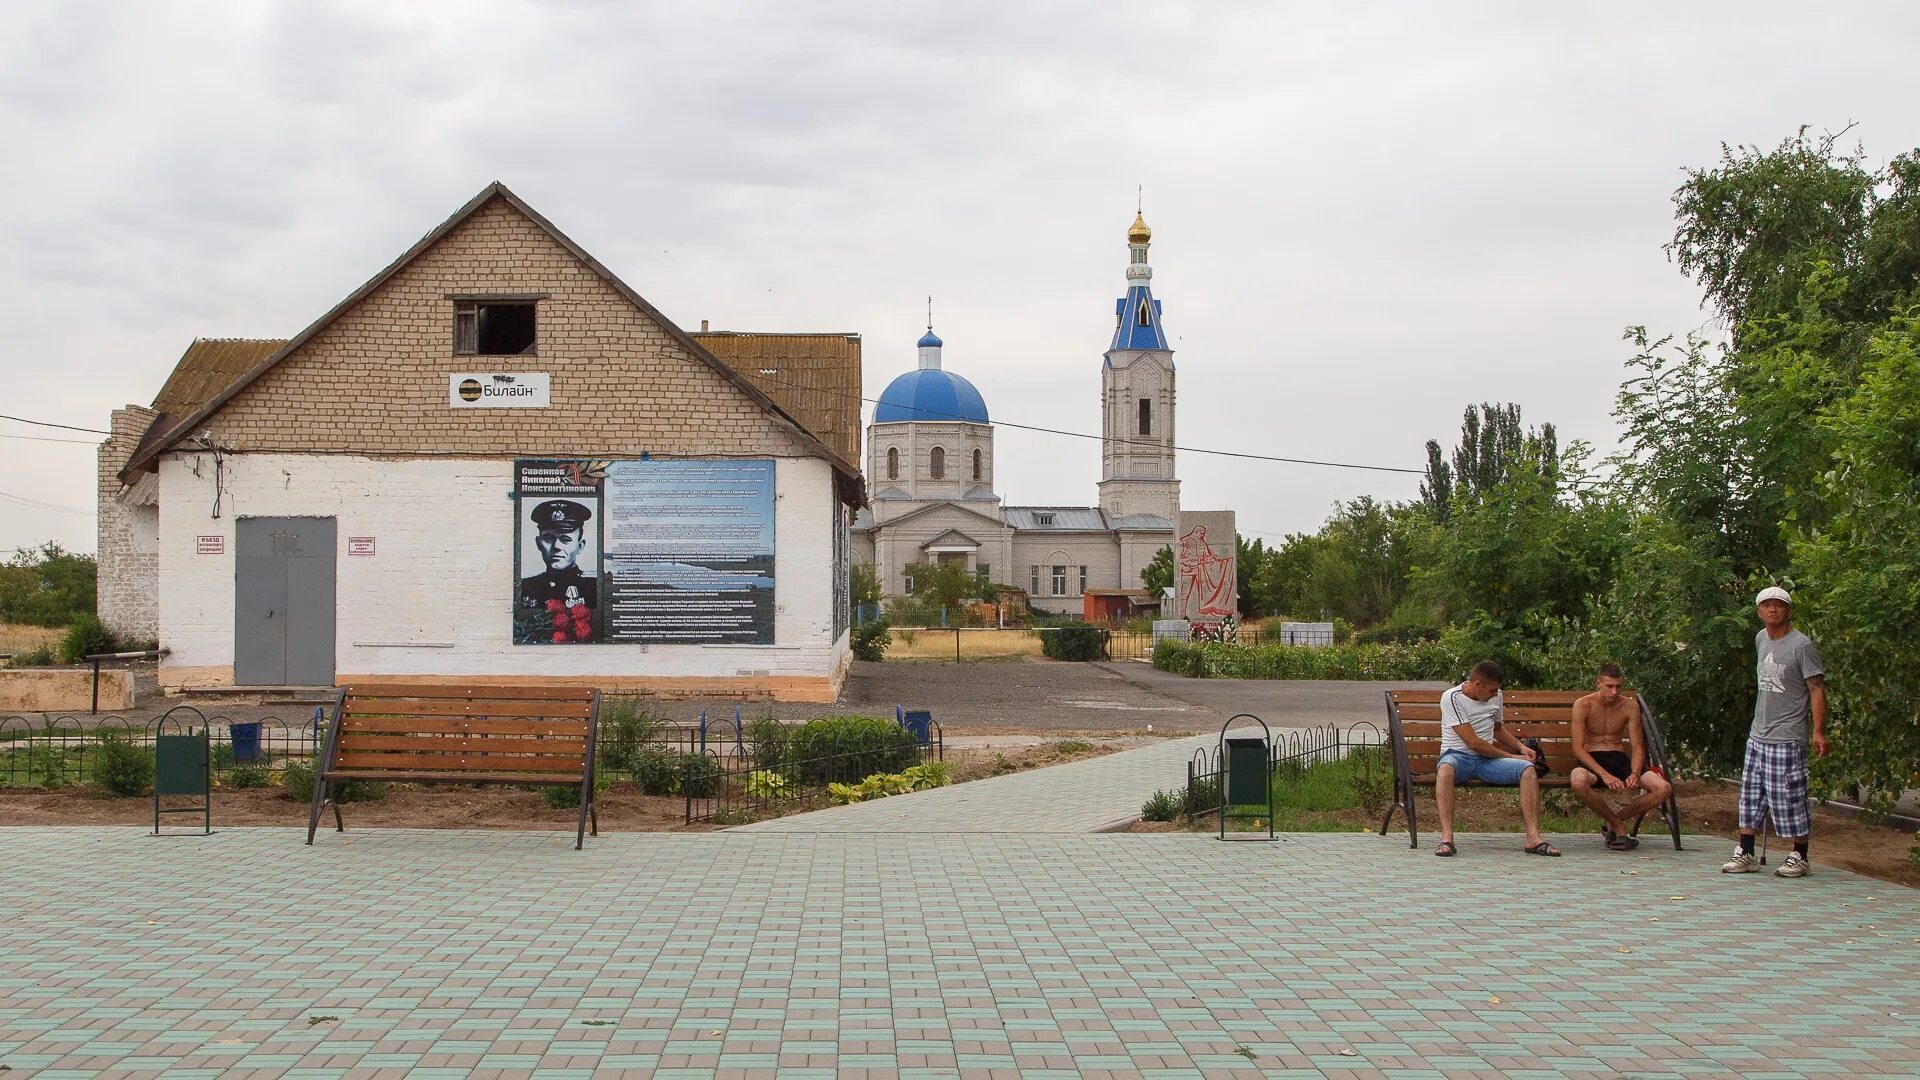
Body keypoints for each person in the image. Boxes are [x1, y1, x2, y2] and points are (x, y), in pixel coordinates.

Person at [1722, 586, 1828, 878]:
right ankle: (1746, 851)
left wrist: (1818, 731)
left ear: (1788, 611)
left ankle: (1799, 855)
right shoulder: (1760, 639)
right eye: (1766, 605)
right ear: (1759, 611)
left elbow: (1817, 689)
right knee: (1750, 795)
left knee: (1789, 795)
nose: (1772, 610)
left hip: (1788, 733)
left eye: (1778, 605)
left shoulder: (1801, 645)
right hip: (1759, 732)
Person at [1433, 659, 1559, 857]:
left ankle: (1533, 837)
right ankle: (1447, 838)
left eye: (1496, 691)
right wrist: (1512, 756)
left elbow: (1497, 728)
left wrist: (1521, 748)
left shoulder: (1497, 695)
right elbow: (1473, 743)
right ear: (1477, 685)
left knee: (1527, 770)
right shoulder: (1452, 698)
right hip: (1458, 757)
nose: (1494, 694)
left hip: (1487, 761)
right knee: (1445, 769)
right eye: (1491, 690)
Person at [1569, 663, 1673, 850]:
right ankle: (1619, 826)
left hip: (1620, 759)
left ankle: (1613, 823)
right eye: (1609, 686)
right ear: (1598, 684)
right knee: (1578, 781)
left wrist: (1634, 773)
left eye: (1619, 686)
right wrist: (1604, 775)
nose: (1615, 692)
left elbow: (1637, 745)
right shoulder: (1583, 705)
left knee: (1663, 788)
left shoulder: (1629, 706)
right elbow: (1578, 748)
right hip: (1592, 759)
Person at [518, 499, 598, 610]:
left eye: (565, 539)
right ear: (538, 543)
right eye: (548, 538)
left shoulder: (594, 588)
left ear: (580, 546)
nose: (556, 546)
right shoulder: (525, 587)